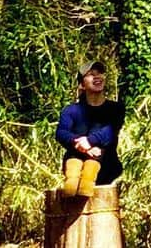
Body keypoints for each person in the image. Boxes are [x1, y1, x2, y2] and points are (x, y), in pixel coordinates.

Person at [55, 60, 124, 198]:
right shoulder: (71, 110)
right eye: (91, 74)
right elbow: (61, 133)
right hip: (75, 160)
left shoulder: (116, 108)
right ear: (82, 84)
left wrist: (90, 140)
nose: (97, 77)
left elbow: (111, 130)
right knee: (71, 186)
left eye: (100, 73)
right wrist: (81, 145)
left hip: (106, 167)